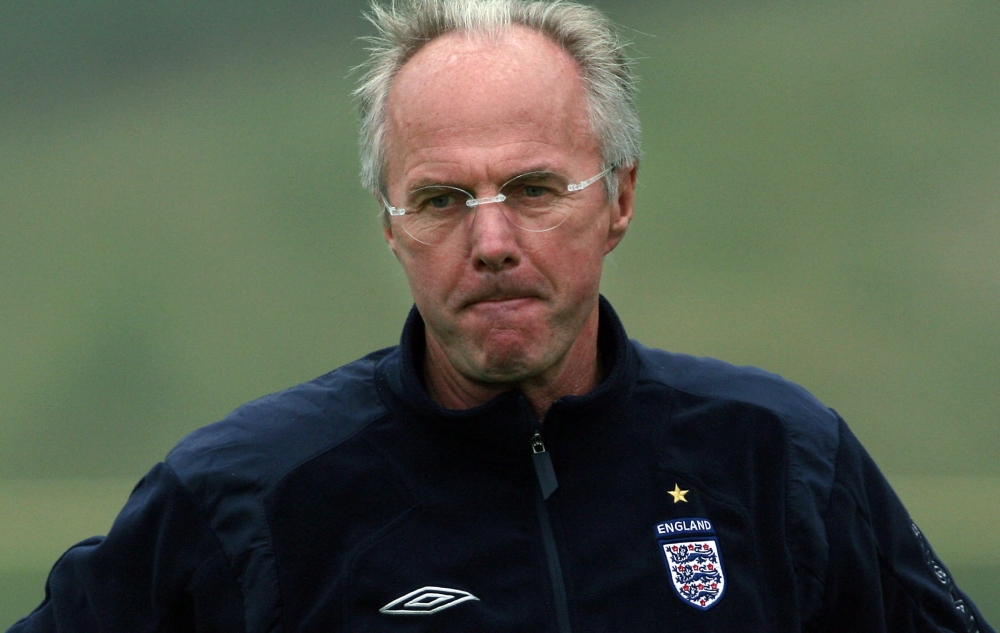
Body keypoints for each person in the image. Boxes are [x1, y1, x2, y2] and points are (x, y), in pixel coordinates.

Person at [8, 0, 994, 631]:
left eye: (533, 187)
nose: (490, 241)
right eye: (441, 199)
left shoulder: (780, 458)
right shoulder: (245, 495)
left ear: (618, 198)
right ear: (391, 227)